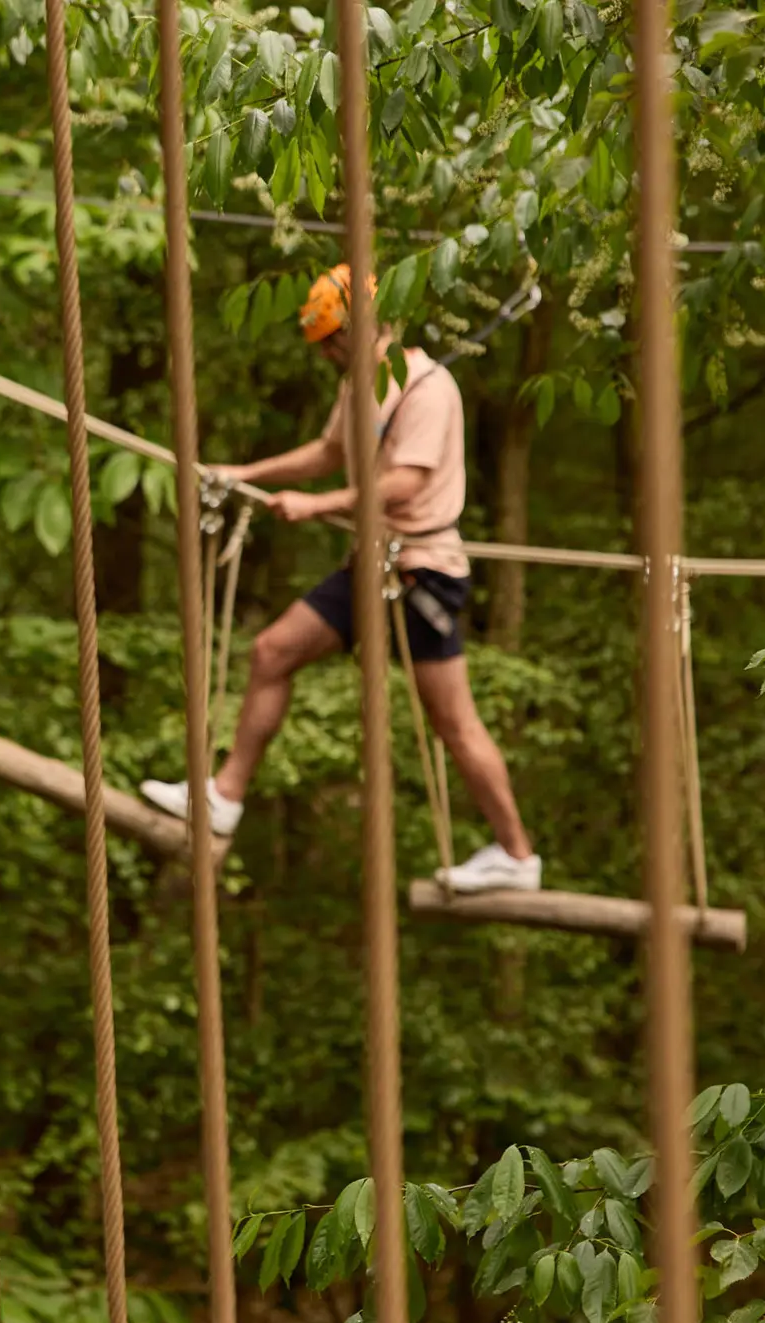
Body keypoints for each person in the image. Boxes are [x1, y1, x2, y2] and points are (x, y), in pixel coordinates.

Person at [140, 264, 540, 893]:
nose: (328, 354)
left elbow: (406, 479)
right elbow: (329, 453)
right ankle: (224, 796)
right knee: (272, 651)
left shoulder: (426, 386)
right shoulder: (363, 383)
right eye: (323, 344)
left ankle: (517, 857)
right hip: (370, 571)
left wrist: (316, 505)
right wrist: (245, 470)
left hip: (420, 576)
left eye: (333, 339)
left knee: (455, 725)